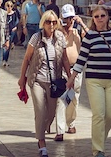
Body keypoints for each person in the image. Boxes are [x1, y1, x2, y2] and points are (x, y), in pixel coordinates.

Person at [74, 5, 111, 157]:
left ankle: (99, 139)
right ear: (93, 19)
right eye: (96, 16)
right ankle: (98, 150)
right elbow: (81, 60)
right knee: (99, 115)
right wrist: (71, 79)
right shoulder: (89, 36)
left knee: (110, 116)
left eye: (102, 15)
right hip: (94, 80)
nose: (100, 19)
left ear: (108, 17)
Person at [18, 10, 74, 157]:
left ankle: (43, 128)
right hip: (37, 80)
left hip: (54, 82)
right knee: (40, 111)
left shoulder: (60, 37)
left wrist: (70, 77)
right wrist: (22, 77)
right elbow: (26, 59)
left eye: (54, 22)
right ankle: (41, 143)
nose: (51, 25)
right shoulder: (36, 38)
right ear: (43, 23)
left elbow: (65, 59)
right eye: (48, 22)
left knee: (50, 114)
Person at [56, 5, 86, 141]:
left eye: (71, 18)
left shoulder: (76, 33)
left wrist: (81, 23)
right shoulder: (58, 32)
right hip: (61, 70)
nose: (69, 21)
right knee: (61, 100)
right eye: (66, 18)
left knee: (74, 99)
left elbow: (92, 36)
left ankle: (71, 123)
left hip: (76, 70)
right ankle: (60, 130)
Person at [4, 0, 20, 65]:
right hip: (5, 31)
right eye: (8, 6)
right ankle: (4, 59)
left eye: (11, 6)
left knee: (8, 45)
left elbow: (17, 21)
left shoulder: (14, 13)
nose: (9, 7)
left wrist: (16, 27)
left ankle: (6, 60)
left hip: (12, 30)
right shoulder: (4, 14)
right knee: (4, 46)